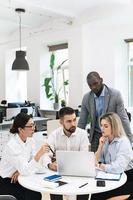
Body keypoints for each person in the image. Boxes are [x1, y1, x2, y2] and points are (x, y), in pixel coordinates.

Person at [78, 71, 133, 152]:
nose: (93, 87)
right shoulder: (86, 98)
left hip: (112, 134)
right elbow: (82, 121)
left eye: (95, 83)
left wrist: (130, 140)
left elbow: (123, 118)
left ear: (101, 80)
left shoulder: (115, 95)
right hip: (96, 135)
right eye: (90, 85)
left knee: (111, 161)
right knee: (95, 161)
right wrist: (76, 140)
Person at [0, 112, 49, 200]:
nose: (34, 128)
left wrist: (20, 171)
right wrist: (39, 154)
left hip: (20, 176)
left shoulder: (30, 140)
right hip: (7, 180)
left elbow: (35, 166)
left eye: (34, 125)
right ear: (21, 129)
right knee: (28, 197)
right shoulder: (12, 145)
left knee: (36, 195)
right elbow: (28, 167)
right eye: (30, 126)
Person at [44, 107, 90, 200]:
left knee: (85, 187)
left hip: (78, 170)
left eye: (74, 120)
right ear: (61, 122)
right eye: (69, 121)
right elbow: (46, 154)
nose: (73, 124)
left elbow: (84, 156)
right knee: (53, 188)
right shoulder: (54, 135)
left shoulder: (82, 134)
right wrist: (49, 165)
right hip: (59, 171)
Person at [91, 112, 133, 200]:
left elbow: (118, 168)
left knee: (98, 195)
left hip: (127, 178)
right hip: (112, 175)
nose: (102, 129)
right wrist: (100, 146)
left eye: (106, 126)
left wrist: (100, 165)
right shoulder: (105, 140)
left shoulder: (123, 142)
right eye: (101, 125)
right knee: (94, 192)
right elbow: (95, 160)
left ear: (114, 127)